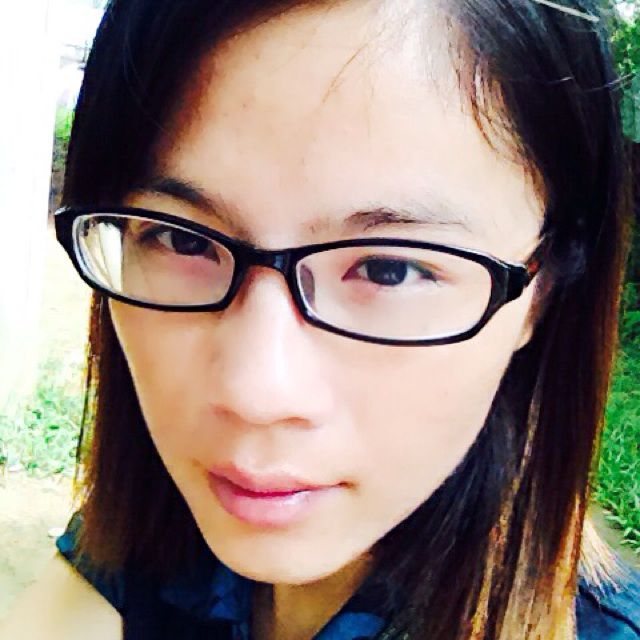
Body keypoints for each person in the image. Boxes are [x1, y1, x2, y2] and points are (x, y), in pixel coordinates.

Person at [3, 0, 639, 638]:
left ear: (542, 289)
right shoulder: (155, 535)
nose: (255, 394)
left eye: (389, 269)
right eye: (182, 240)